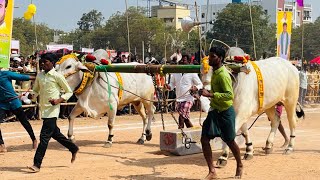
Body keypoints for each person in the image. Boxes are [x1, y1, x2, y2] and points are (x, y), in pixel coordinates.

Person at [194, 47, 243, 179]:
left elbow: (229, 95)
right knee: (204, 139)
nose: (210, 58)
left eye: (212, 56)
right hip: (214, 111)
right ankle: (212, 171)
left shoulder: (222, 75)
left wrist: (210, 94)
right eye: (209, 56)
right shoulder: (214, 72)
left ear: (220, 58)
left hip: (225, 112)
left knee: (230, 141)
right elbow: (209, 90)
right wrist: (199, 90)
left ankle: (239, 164)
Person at [28, 53, 79, 173]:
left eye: (46, 62)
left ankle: (37, 164)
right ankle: (73, 147)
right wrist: (32, 96)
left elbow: (68, 92)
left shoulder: (57, 76)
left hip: (53, 110)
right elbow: (35, 90)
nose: (43, 64)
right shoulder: (40, 76)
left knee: (44, 137)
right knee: (55, 134)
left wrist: (59, 100)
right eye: (42, 62)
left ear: (52, 63)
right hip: (44, 109)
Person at [0, 70, 37, 153]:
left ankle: (34, 140)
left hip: (14, 102)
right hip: (2, 104)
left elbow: (22, 77)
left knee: (24, 121)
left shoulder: (6, 74)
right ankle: (1, 145)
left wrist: (36, 77)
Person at [165, 54, 203, 129]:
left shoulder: (192, 73)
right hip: (178, 99)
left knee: (181, 118)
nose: (182, 61)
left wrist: (196, 88)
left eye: (184, 60)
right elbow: (172, 84)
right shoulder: (176, 72)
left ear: (189, 62)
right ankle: (193, 135)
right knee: (186, 119)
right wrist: (169, 86)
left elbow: (200, 84)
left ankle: (180, 137)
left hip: (188, 99)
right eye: (182, 60)